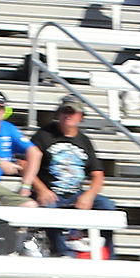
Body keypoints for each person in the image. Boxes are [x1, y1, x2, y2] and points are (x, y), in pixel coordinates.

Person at [23, 102, 119, 254]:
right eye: (64, 112)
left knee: (107, 205)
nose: (68, 116)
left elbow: (97, 174)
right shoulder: (43, 135)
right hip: (50, 192)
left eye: (72, 112)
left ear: (80, 116)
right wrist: (41, 190)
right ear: (58, 114)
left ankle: (108, 253)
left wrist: (89, 195)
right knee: (50, 209)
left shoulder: (84, 140)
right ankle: (62, 253)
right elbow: (24, 163)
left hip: (75, 193)